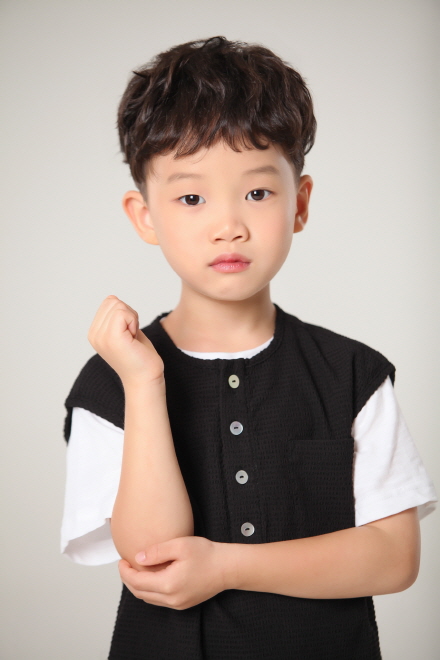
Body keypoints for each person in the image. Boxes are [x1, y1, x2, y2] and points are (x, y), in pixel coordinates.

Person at [61, 36, 437, 659]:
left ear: (300, 204)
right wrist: (144, 384)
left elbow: (394, 558)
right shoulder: (111, 382)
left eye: (258, 193)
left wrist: (226, 565)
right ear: (145, 215)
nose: (228, 225)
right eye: (191, 198)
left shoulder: (352, 373)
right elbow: (152, 557)